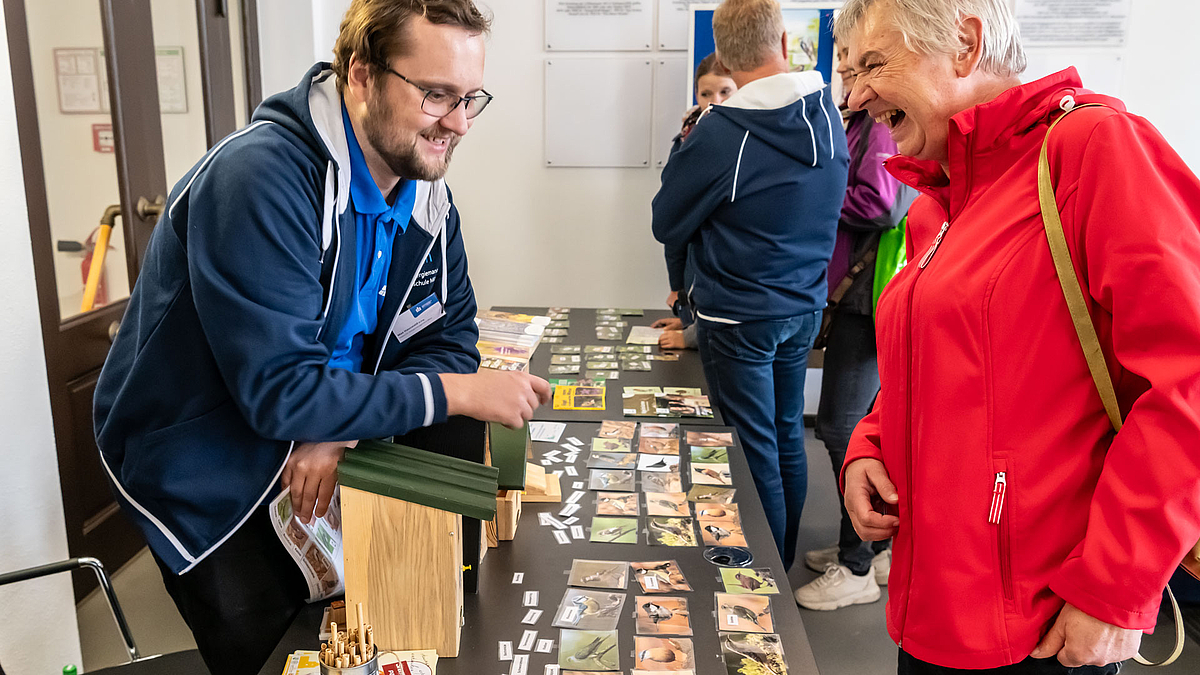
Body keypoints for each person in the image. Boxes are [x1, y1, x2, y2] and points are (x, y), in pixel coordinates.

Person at [92, 1, 550, 671]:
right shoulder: (259, 180)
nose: (458, 124)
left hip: (321, 434)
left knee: (356, 629)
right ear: (361, 74)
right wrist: (454, 393)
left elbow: (448, 338)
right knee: (272, 648)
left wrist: (337, 425)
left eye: (469, 97)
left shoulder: (425, 191)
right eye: (435, 95)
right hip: (209, 467)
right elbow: (284, 396)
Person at [834, 0, 1200, 672]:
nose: (854, 95)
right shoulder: (937, 208)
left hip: (1044, 621)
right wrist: (869, 444)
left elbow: (1190, 378)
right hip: (934, 604)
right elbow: (932, 368)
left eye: (873, 64)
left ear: (966, 44)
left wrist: (1117, 588)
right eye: (850, 71)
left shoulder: (1091, 149)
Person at [652, 0, 849, 570]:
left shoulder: (725, 131)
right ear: (783, 41)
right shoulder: (825, 113)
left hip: (740, 313)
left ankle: (762, 572)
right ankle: (781, 565)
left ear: (727, 56)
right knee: (788, 432)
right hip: (804, 306)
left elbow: (667, 220)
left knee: (752, 442)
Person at [794, 39, 914, 611]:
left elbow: (882, 203)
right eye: (845, 68)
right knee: (851, 426)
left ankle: (857, 564)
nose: (851, 81)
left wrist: (813, 193)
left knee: (845, 429)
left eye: (864, 67)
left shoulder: (883, 125)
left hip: (869, 296)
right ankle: (872, 551)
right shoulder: (857, 119)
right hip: (853, 296)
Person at [654, 54, 738, 353]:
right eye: (706, 93)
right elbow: (672, 222)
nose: (715, 100)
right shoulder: (685, 139)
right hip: (693, 271)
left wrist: (692, 337)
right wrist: (682, 306)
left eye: (725, 91)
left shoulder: (748, 139)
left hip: (725, 283)